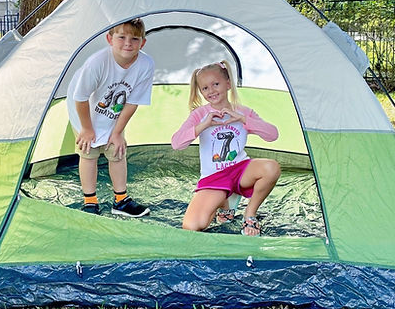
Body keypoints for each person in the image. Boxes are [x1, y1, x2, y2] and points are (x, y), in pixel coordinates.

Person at [171, 60, 280, 236]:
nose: (211, 91)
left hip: (240, 170)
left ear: (228, 83)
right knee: (192, 226)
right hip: (213, 178)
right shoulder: (199, 114)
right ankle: (226, 203)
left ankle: (250, 214)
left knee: (271, 167)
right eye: (205, 88)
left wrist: (243, 120)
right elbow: (176, 143)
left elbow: (272, 134)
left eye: (216, 84)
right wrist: (203, 125)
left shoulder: (243, 112)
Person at [67, 18, 154, 217]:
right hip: (83, 106)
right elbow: (80, 98)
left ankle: (121, 201)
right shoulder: (97, 63)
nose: (127, 43)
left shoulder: (146, 64)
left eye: (134, 39)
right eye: (121, 37)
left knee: (117, 150)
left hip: (114, 109)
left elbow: (133, 102)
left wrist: (117, 132)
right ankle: (90, 201)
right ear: (109, 39)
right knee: (89, 150)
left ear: (143, 43)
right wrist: (87, 129)